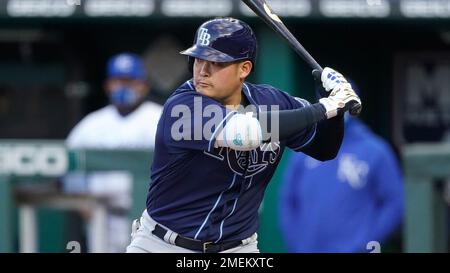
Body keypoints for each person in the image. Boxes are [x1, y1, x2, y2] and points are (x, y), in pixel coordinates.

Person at [126, 17, 361, 253]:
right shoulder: (183, 106)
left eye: (215, 62)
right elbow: (245, 134)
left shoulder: (273, 101)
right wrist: (325, 108)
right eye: (198, 59)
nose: (203, 71)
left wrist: (335, 113)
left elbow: (325, 149)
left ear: (244, 69)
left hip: (237, 249)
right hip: (163, 244)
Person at [65, 52, 163, 252]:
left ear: (143, 85)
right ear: (108, 85)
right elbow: (69, 164)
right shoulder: (91, 124)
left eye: (130, 81)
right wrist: (81, 202)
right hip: (102, 218)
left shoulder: (159, 118)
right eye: (118, 81)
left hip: (149, 220)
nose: (123, 87)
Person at [279, 114, 404, 253]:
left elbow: (395, 202)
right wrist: (297, 245)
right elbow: (288, 200)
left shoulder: (375, 150)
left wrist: (365, 242)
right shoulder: (303, 151)